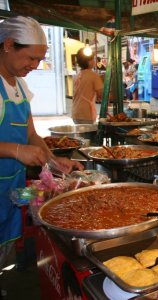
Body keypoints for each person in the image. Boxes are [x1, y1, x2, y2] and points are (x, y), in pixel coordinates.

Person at [0, 16, 83, 276]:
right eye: (31, 58)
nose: (35, 66)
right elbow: (20, 145)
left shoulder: (20, 86)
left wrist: (52, 160)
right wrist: (16, 150)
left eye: (39, 60)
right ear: (9, 45)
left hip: (9, 187)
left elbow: (31, 134)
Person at [72, 48, 103, 124]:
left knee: (79, 135)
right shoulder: (93, 76)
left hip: (75, 113)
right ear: (88, 61)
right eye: (93, 59)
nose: (94, 61)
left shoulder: (77, 75)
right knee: (87, 135)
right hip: (86, 114)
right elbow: (102, 94)